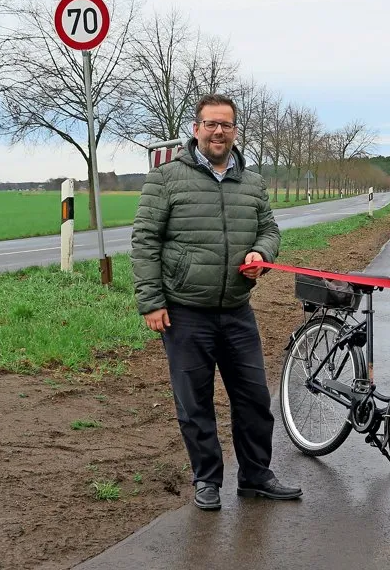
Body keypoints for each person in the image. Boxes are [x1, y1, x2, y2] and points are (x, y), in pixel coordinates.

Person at [131, 93, 302, 511]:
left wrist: (261, 253)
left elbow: (269, 230)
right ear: (196, 129)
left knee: (254, 399)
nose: (218, 132)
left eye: (226, 124)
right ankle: (207, 479)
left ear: (235, 131)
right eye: (211, 124)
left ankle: (256, 476)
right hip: (185, 311)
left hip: (237, 310)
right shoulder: (166, 178)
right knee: (195, 402)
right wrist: (151, 301)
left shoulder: (252, 182)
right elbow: (145, 241)